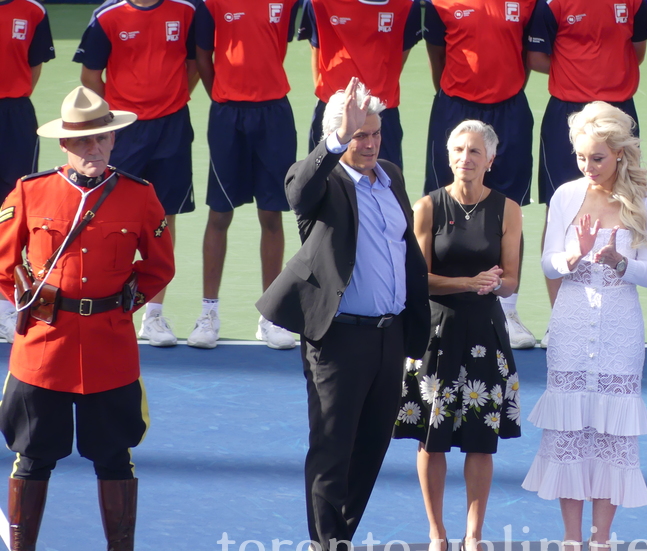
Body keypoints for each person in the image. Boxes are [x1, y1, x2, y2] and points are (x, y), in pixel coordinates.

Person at [256, 78, 430, 551]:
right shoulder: (324, 182)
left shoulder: (392, 177)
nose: (370, 143)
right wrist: (335, 143)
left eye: (375, 133)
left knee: (371, 448)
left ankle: (338, 549)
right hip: (338, 341)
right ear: (339, 136)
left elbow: (403, 252)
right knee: (333, 450)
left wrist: (416, 331)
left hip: (388, 338)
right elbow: (297, 191)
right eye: (359, 135)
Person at [0, 86, 175, 551]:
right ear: (64, 145)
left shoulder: (139, 195)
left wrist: (122, 305)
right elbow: (2, 262)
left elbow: (160, 266)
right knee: (32, 460)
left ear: (114, 140)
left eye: (101, 138)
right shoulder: (31, 193)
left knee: (114, 459)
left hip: (110, 349)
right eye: (83, 141)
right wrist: (30, 301)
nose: (93, 149)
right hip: (44, 351)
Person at [522, 102, 647, 551]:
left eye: (596, 158)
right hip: (572, 326)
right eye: (581, 157)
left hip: (621, 330)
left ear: (619, 154)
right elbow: (545, 264)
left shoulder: (644, 203)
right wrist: (573, 255)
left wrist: (619, 263)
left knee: (610, 442)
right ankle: (570, 549)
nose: (587, 167)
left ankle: (601, 550)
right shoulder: (564, 196)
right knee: (570, 440)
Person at [392, 120, 522, 551]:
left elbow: (511, 279)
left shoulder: (508, 209)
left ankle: (472, 537)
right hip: (437, 335)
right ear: (448, 156)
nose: (465, 158)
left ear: (491, 159)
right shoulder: (427, 206)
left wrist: (493, 283)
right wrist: (469, 282)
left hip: (486, 334)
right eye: (458, 150)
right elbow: (417, 277)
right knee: (433, 438)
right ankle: (437, 535)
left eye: (474, 152)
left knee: (480, 441)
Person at [527, 0, 647, 346]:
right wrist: (578, 72)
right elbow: (537, 57)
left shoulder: (635, 3)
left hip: (618, 113)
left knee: (628, 204)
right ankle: (560, 318)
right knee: (561, 212)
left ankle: (616, 315)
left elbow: (637, 51)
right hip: (566, 111)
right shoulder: (551, 5)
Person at [74, 0, 198, 347]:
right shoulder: (107, 16)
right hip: (126, 131)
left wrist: (171, 99)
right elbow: (89, 75)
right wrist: (114, 117)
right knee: (113, 214)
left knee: (165, 213)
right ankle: (108, 303)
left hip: (172, 128)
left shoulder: (185, 10)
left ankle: (154, 315)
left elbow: (194, 63)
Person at [424, 0, 537, 349]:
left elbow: (524, 56)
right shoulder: (438, 3)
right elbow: (437, 57)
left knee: (509, 208)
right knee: (442, 206)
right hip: (455, 104)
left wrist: (502, 91)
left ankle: (507, 308)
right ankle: (433, 302)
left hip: (510, 109)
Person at [190, 0, 300, 349]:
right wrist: (222, 98)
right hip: (228, 118)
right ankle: (208, 314)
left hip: (274, 115)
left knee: (271, 215)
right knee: (220, 214)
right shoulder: (210, 4)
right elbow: (202, 56)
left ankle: (271, 316)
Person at [298, 0, 422, 168]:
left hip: (383, 111)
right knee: (324, 180)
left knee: (384, 180)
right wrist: (333, 100)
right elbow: (317, 50)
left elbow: (399, 56)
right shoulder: (317, 3)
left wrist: (376, 95)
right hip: (333, 110)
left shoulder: (407, 5)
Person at [0, 0, 55, 343]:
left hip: (16, 115)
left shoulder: (32, 9)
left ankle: (6, 304)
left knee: (13, 208)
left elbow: (32, 67)